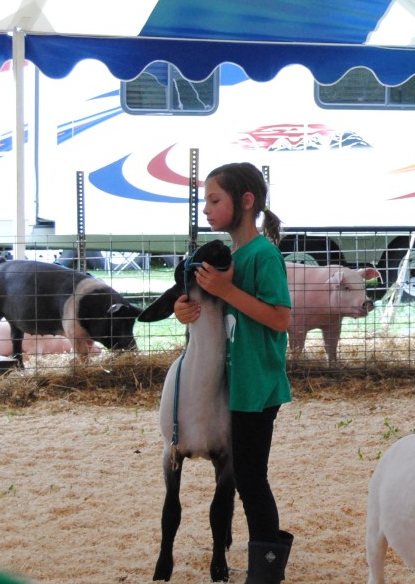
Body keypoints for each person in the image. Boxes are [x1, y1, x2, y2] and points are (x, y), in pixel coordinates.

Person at [174, 162, 294, 584]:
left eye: (214, 200)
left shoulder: (263, 256)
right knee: (244, 475)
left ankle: (266, 570)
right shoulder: (230, 257)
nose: (206, 209)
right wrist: (185, 308)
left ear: (245, 202)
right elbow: (212, 312)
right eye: (205, 201)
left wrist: (226, 291)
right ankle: (266, 557)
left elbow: (280, 319)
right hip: (233, 384)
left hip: (257, 385)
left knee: (250, 478)